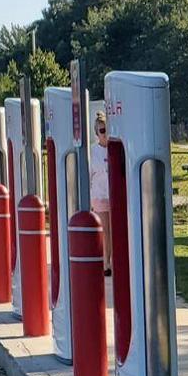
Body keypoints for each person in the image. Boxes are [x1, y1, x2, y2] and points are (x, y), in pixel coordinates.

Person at [89, 105, 111, 272]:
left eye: (106, 129)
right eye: (102, 131)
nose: (105, 133)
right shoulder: (93, 151)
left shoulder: (115, 149)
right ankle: (106, 262)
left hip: (115, 196)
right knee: (105, 231)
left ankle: (112, 260)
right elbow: (89, 174)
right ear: (97, 133)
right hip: (100, 195)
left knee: (115, 230)